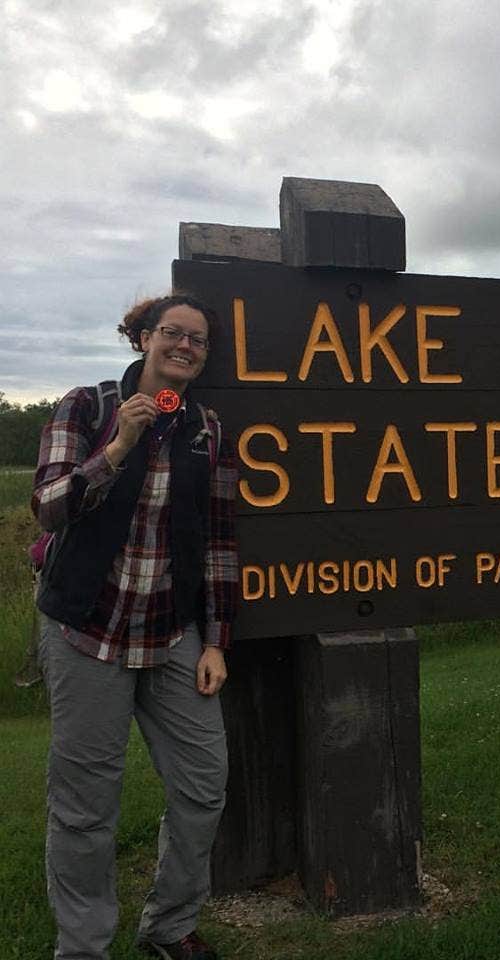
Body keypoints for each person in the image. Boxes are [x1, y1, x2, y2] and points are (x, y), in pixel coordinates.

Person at [32, 293, 238, 960]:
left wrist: (215, 641)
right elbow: (48, 509)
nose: (185, 346)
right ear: (143, 339)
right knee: (86, 804)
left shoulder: (206, 430)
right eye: (172, 333)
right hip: (86, 631)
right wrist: (118, 444)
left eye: (198, 340)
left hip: (172, 634)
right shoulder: (86, 406)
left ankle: (169, 925)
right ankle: (84, 946)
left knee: (204, 785)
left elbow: (217, 542)